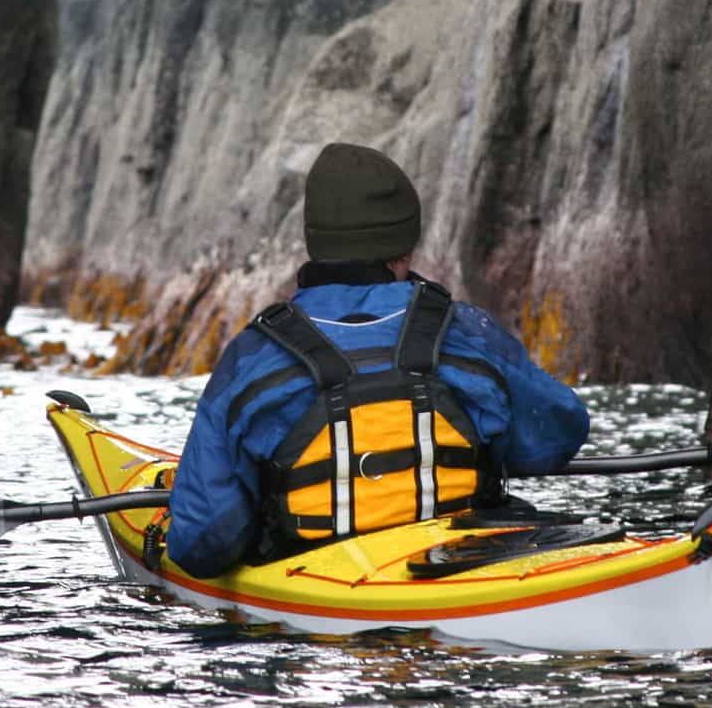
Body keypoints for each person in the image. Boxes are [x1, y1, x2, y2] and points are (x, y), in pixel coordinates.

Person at [165, 142, 590, 578]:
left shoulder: (252, 355)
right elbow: (558, 434)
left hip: (312, 613)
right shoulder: (465, 331)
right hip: (462, 573)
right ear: (404, 249)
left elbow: (201, 541)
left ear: (316, 244)